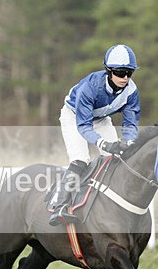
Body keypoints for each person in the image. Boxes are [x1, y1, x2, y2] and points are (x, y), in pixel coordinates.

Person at [49, 44, 141, 226]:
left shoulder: (131, 90)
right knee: (81, 160)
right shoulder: (90, 87)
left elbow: (130, 122)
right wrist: (103, 144)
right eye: (121, 72)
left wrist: (130, 142)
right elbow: (83, 126)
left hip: (101, 118)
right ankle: (58, 204)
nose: (125, 78)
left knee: (117, 159)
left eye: (129, 73)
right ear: (109, 71)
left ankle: (109, 203)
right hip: (74, 117)